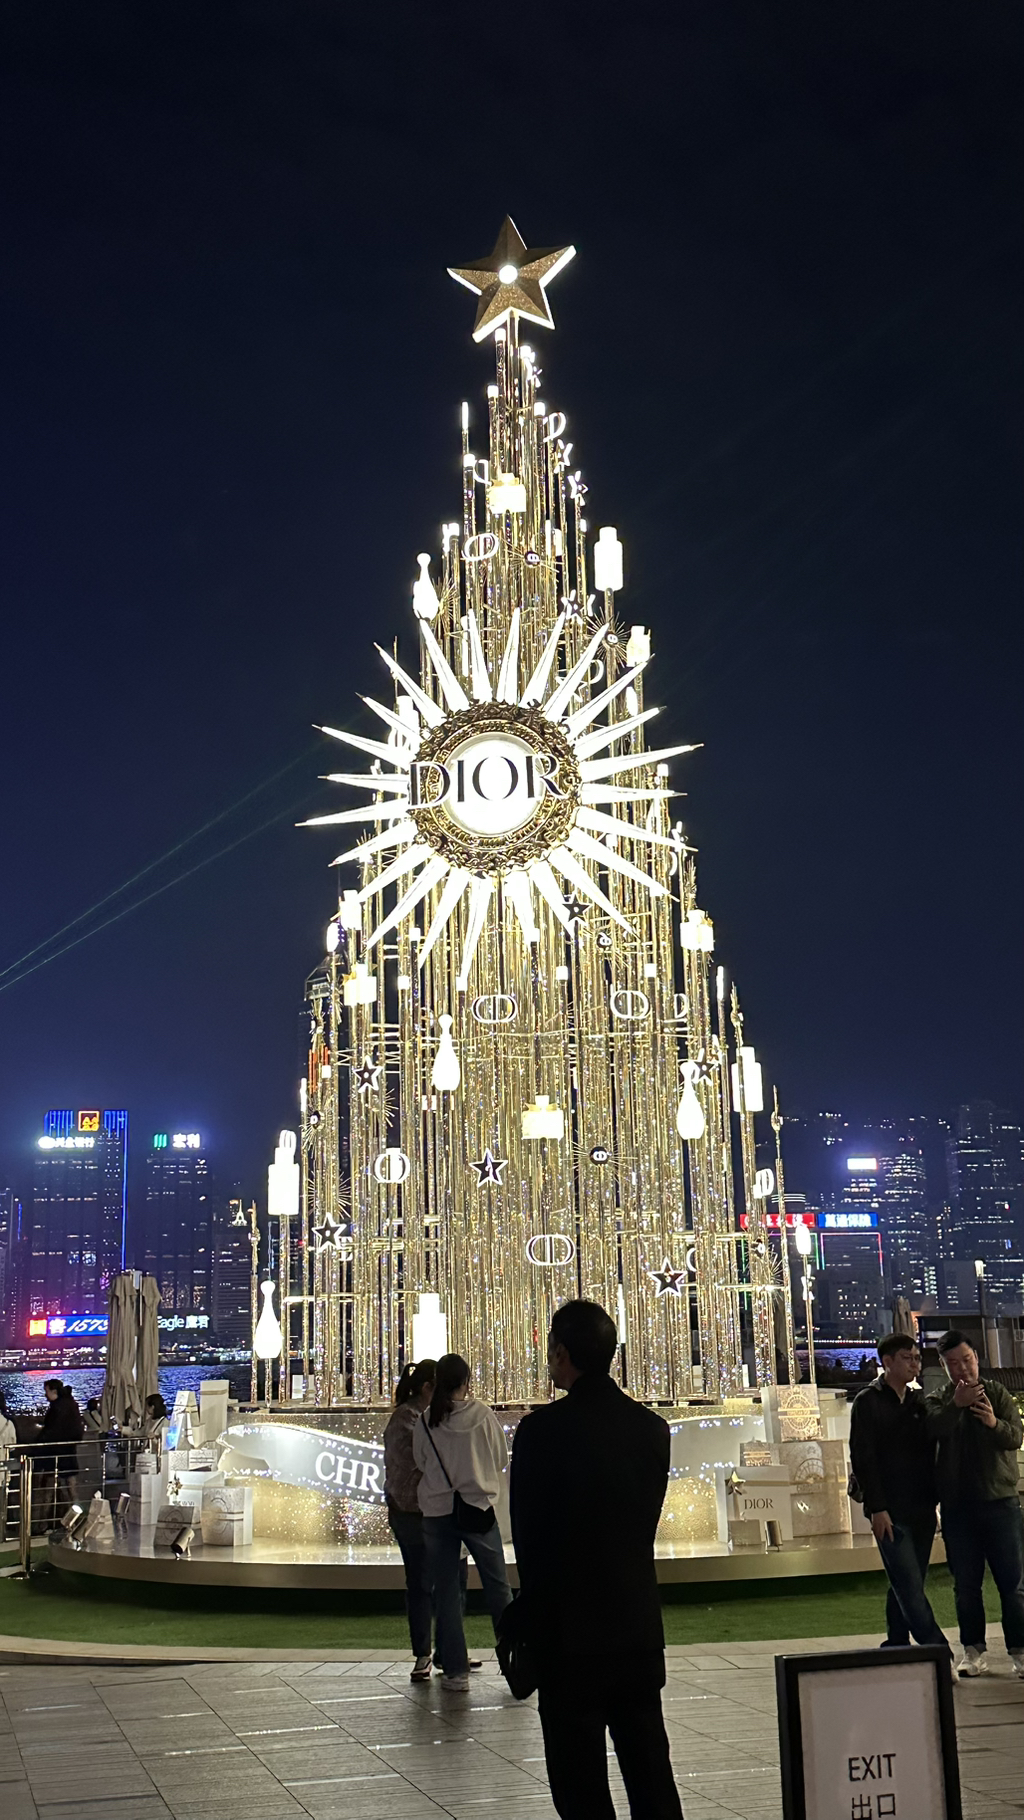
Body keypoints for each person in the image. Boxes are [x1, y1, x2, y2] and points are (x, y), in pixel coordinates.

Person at [510, 1299, 683, 1820]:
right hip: (635, 1625)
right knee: (651, 1776)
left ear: (561, 1353)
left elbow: (531, 1543)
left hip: (568, 1636)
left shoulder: (541, 1431)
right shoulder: (651, 1428)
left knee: (579, 1785)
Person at [412, 1352, 512, 1692]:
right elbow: (498, 1458)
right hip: (478, 1509)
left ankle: (456, 1671)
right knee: (498, 1587)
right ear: (467, 1381)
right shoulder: (482, 1415)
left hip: (437, 1511)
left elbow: (421, 1462)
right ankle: (514, 1659)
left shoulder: (426, 1419)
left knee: (446, 1592)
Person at [927, 1329, 1024, 1679]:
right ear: (944, 1366)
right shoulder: (938, 1400)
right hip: (958, 1508)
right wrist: (957, 1405)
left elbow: (1016, 1437)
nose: (963, 1368)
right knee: (966, 1585)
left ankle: (1020, 1652)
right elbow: (932, 1430)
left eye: (967, 1360)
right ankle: (973, 1651)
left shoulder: (997, 1394)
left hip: (1001, 1502)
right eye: (953, 1363)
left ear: (977, 1358)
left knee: (1013, 1584)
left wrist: (993, 1423)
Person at [848, 1333, 948, 1652]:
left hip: (921, 1507)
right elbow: (863, 1459)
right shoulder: (868, 1401)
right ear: (887, 1361)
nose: (915, 1364)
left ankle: (896, 1642)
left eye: (917, 1358)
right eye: (907, 1358)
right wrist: (877, 1508)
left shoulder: (919, 1402)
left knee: (908, 1582)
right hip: (889, 1510)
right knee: (908, 1583)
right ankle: (938, 1650)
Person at [384, 1359, 439, 1680]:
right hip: (412, 1512)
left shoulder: (415, 1416)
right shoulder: (409, 1419)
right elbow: (422, 1463)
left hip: (422, 1509)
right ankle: (424, 1653)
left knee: (440, 1582)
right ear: (427, 1387)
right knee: (421, 1583)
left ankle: (442, 1650)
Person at [38, 1380, 84, 1518]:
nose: (45, 1394)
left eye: (46, 1391)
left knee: (49, 1489)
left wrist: (39, 1444)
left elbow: (51, 1430)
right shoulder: (70, 1404)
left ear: (54, 1391)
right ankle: (76, 1518)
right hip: (69, 1450)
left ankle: (43, 1521)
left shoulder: (57, 1408)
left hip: (55, 1452)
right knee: (71, 1487)